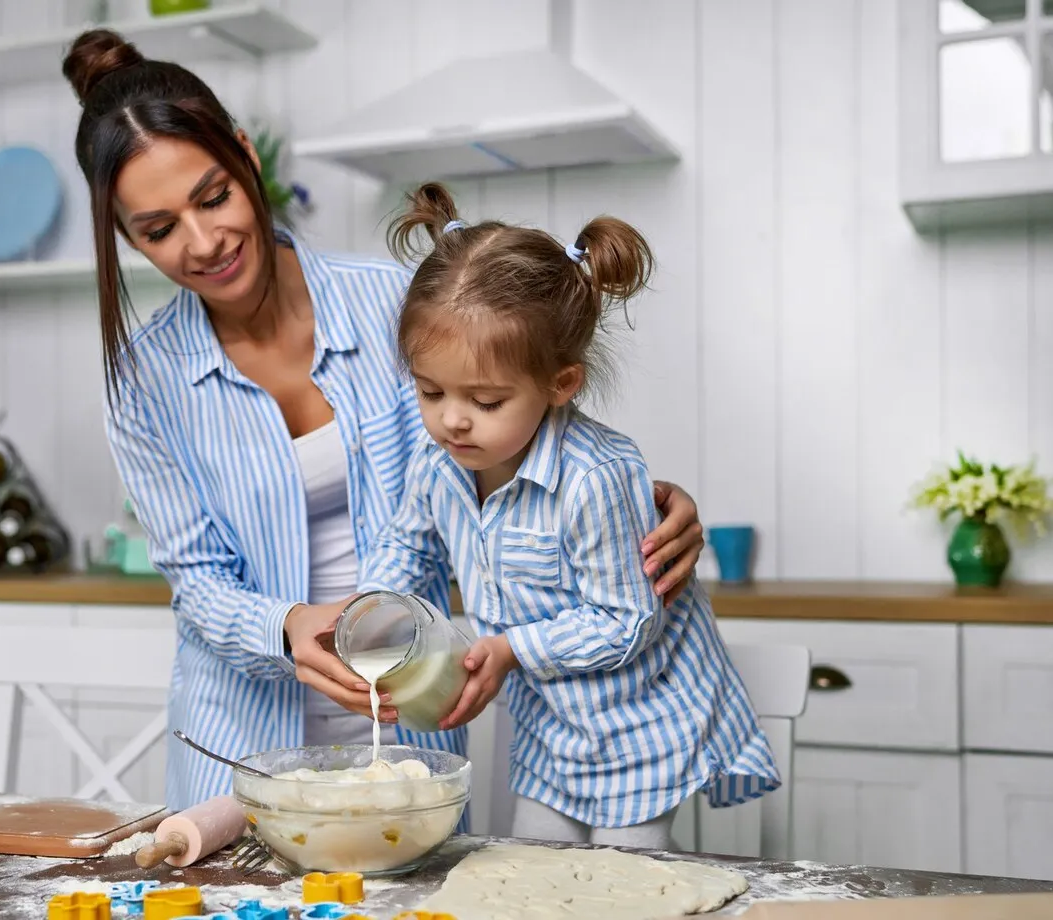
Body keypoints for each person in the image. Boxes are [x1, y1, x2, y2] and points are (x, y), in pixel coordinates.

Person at [62, 30, 709, 812]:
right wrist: (288, 626)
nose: (205, 243)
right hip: (236, 752)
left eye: (213, 197)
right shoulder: (143, 378)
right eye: (158, 230)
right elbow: (195, 581)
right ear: (124, 236)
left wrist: (635, 499)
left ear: (246, 157)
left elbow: (522, 431)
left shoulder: (394, 303)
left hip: (412, 734)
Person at [356, 183, 779, 850]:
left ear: (560, 384)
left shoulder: (597, 476)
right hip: (553, 730)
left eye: (486, 400)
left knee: (626, 888)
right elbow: (408, 549)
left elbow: (627, 620)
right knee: (532, 872)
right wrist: (376, 608)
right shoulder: (438, 465)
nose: (451, 419)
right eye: (430, 390)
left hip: (641, 726)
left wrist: (512, 648)